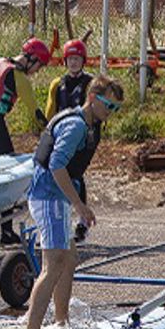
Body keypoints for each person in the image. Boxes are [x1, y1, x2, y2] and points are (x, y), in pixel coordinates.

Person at [25, 76, 124, 329]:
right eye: (108, 105)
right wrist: (79, 205)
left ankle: (61, 322)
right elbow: (57, 165)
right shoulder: (76, 126)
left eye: (116, 109)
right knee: (54, 263)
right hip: (48, 197)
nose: (110, 113)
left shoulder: (90, 123)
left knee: (69, 259)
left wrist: (78, 203)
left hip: (57, 197)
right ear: (92, 98)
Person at [0, 37, 51, 244]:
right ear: (31, 60)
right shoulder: (20, 78)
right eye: (39, 66)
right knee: (8, 176)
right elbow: (35, 112)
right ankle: (6, 231)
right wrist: (51, 131)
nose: (37, 71)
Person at [45, 39, 94, 242]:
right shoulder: (58, 83)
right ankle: (60, 221)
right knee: (60, 173)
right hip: (62, 135)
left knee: (76, 174)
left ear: (83, 61)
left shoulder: (89, 82)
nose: (73, 63)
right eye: (70, 59)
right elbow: (51, 109)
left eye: (77, 59)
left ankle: (82, 223)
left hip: (81, 134)